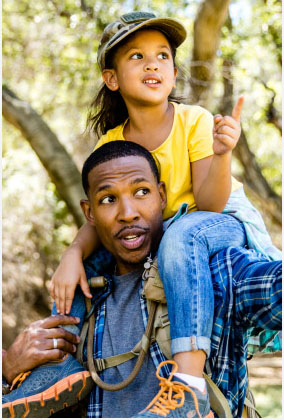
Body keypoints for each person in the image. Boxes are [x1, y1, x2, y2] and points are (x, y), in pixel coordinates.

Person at [50, 10, 281, 405]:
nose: (153, 62)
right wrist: (72, 253)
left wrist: (223, 153)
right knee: (80, 270)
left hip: (217, 221)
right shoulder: (112, 144)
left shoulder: (193, 121)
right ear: (112, 78)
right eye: (137, 56)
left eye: (162, 56)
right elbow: (105, 218)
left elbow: (209, 203)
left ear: (173, 74)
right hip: (169, 234)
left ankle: (187, 386)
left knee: (181, 234)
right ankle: (55, 372)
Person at [3, 142, 282, 418]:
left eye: (141, 192)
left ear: (161, 196)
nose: (128, 213)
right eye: (108, 199)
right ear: (89, 212)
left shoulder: (209, 273)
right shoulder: (80, 290)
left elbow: (270, 287)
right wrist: (7, 369)